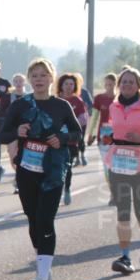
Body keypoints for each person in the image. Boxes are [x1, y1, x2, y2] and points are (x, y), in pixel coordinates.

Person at [0, 58, 82, 280]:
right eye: (34, 75)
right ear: (29, 79)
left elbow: (77, 133)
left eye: (43, 75)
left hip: (53, 172)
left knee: (46, 219)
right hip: (27, 171)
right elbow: (2, 135)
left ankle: (41, 277)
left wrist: (62, 139)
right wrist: (17, 132)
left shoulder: (62, 106)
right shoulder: (20, 106)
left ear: (51, 78)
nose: (38, 80)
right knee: (33, 220)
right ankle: (44, 265)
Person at [103, 66, 140, 275]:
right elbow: (112, 131)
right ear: (119, 85)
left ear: (138, 86)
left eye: (131, 82)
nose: (126, 85)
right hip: (118, 165)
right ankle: (125, 257)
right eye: (123, 82)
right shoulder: (114, 107)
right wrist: (108, 138)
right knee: (122, 211)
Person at [56, 73, 88, 205]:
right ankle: (56, 191)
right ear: (61, 86)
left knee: (67, 168)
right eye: (66, 84)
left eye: (71, 84)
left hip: (71, 140)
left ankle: (67, 189)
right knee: (56, 167)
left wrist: (71, 124)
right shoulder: (55, 100)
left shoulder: (77, 101)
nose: (69, 87)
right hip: (56, 140)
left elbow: (84, 118)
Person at [87, 73, 118, 207]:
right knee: (107, 167)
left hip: (119, 137)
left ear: (115, 85)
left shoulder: (121, 98)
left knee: (118, 166)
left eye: (110, 84)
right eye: (106, 84)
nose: (108, 87)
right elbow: (94, 117)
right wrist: (91, 134)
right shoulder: (99, 98)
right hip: (104, 137)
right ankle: (113, 194)